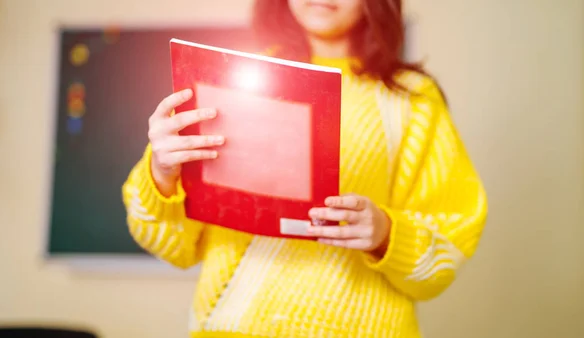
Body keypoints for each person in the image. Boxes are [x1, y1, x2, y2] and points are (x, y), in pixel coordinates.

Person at [122, 0, 488, 337]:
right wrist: (162, 171)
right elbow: (173, 247)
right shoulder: (232, 79)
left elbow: (449, 247)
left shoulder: (413, 100)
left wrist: (387, 233)